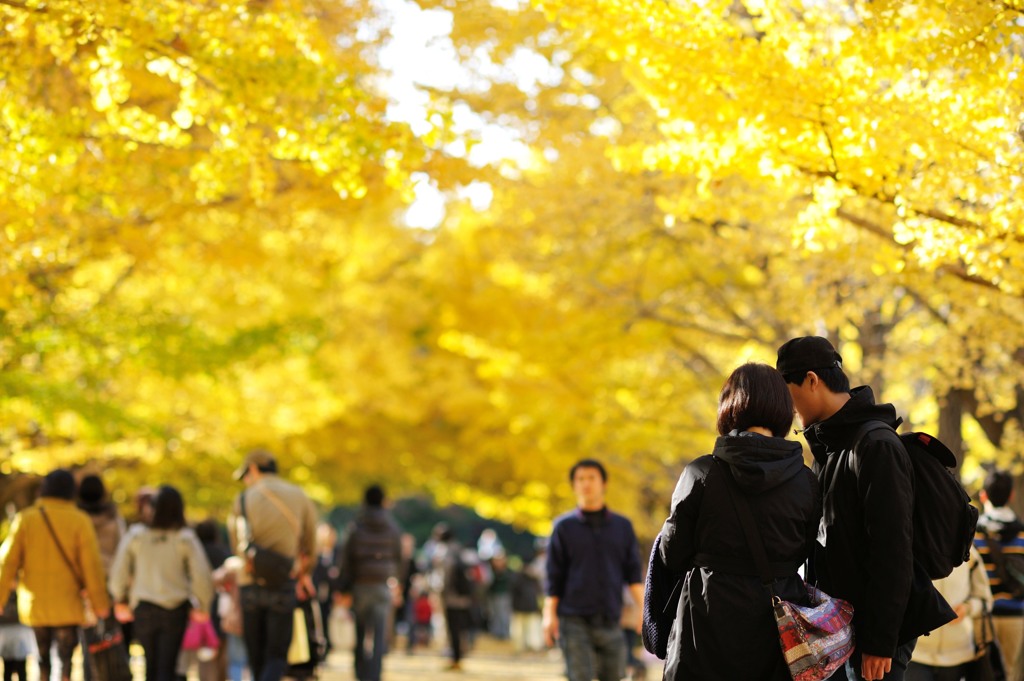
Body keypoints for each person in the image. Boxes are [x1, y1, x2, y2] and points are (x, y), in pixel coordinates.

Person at [777, 336, 955, 681]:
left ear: (812, 380)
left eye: (788, 394)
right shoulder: (831, 448)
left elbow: (893, 551)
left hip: (875, 632)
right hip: (844, 627)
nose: (789, 409)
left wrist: (880, 642)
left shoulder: (875, 445)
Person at [653, 363, 818, 680]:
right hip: (779, 627)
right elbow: (804, 551)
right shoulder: (806, 482)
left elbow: (671, 554)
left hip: (706, 623)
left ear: (729, 407)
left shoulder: (701, 473)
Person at [0, 469, 111, 681]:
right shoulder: (79, 520)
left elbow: (7, 562)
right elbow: (92, 567)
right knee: (65, 659)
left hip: (35, 603)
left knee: (42, 657)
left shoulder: (26, 519)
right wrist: (100, 604)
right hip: (68, 603)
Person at [543, 459, 643, 681]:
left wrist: (643, 608)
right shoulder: (563, 527)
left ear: (604, 483)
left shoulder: (622, 526)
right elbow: (553, 575)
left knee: (615, 676)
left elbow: (632, 572)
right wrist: (549, 615)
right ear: (573, 486)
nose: (586, 484)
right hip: (573, 617)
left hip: (610, 615)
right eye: (580, 479)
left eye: (591, 478)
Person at [227, 449, 318, 681]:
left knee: (255, 655)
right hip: (283, 581)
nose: (246, 480)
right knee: (277, 655)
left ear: (254, 469)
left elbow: (237, 545)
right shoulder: (299, 495)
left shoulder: (244, 498)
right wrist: (303, 573)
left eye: (246, 474)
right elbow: (311, 543)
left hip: (250, 582)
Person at [109, 485, 215, 681]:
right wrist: (204, 605)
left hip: (143, 608)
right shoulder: (185, 538)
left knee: (150, 665)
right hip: (175, 609)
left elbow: (119, 572)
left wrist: (119, 598)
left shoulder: (136, 536)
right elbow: (202, 575)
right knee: (167, 666)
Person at [338, 484, 403, 681]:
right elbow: (399, 558)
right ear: (383, 501)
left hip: (360, 586)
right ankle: (374, 676)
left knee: (359, 633)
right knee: (379, 635)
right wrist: (397, 582)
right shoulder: (393, 528)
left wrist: (343, 588)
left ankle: (360, 674)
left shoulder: (356, 527)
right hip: (382, 586)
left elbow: (346, 560)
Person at [907, 545, 993, 680]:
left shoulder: (970, 553)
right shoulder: (915, 548)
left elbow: (985, 600)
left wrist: (967, 608)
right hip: (917, 653)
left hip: (958, 653)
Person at [973, 468, 1024, 676]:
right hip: (1015, 616)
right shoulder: (1021, 533)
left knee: (981, 674)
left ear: (983, 495)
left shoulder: (974, 535)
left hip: (982, 615)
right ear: (1011, 495)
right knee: (1010, 673)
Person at [433, 523, 474, 671]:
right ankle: (458, 656)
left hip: (450, 598)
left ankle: (455, 658)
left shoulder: (445, 552)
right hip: (462, 597)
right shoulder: (460, 550)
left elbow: (445, 577)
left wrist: (440, 593)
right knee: (460, 628)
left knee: (453, 628)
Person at [77, 473, 127, 574]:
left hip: (81, 573)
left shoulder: (76, 518)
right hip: (109, 572)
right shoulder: (113, 516)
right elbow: (123, 545)